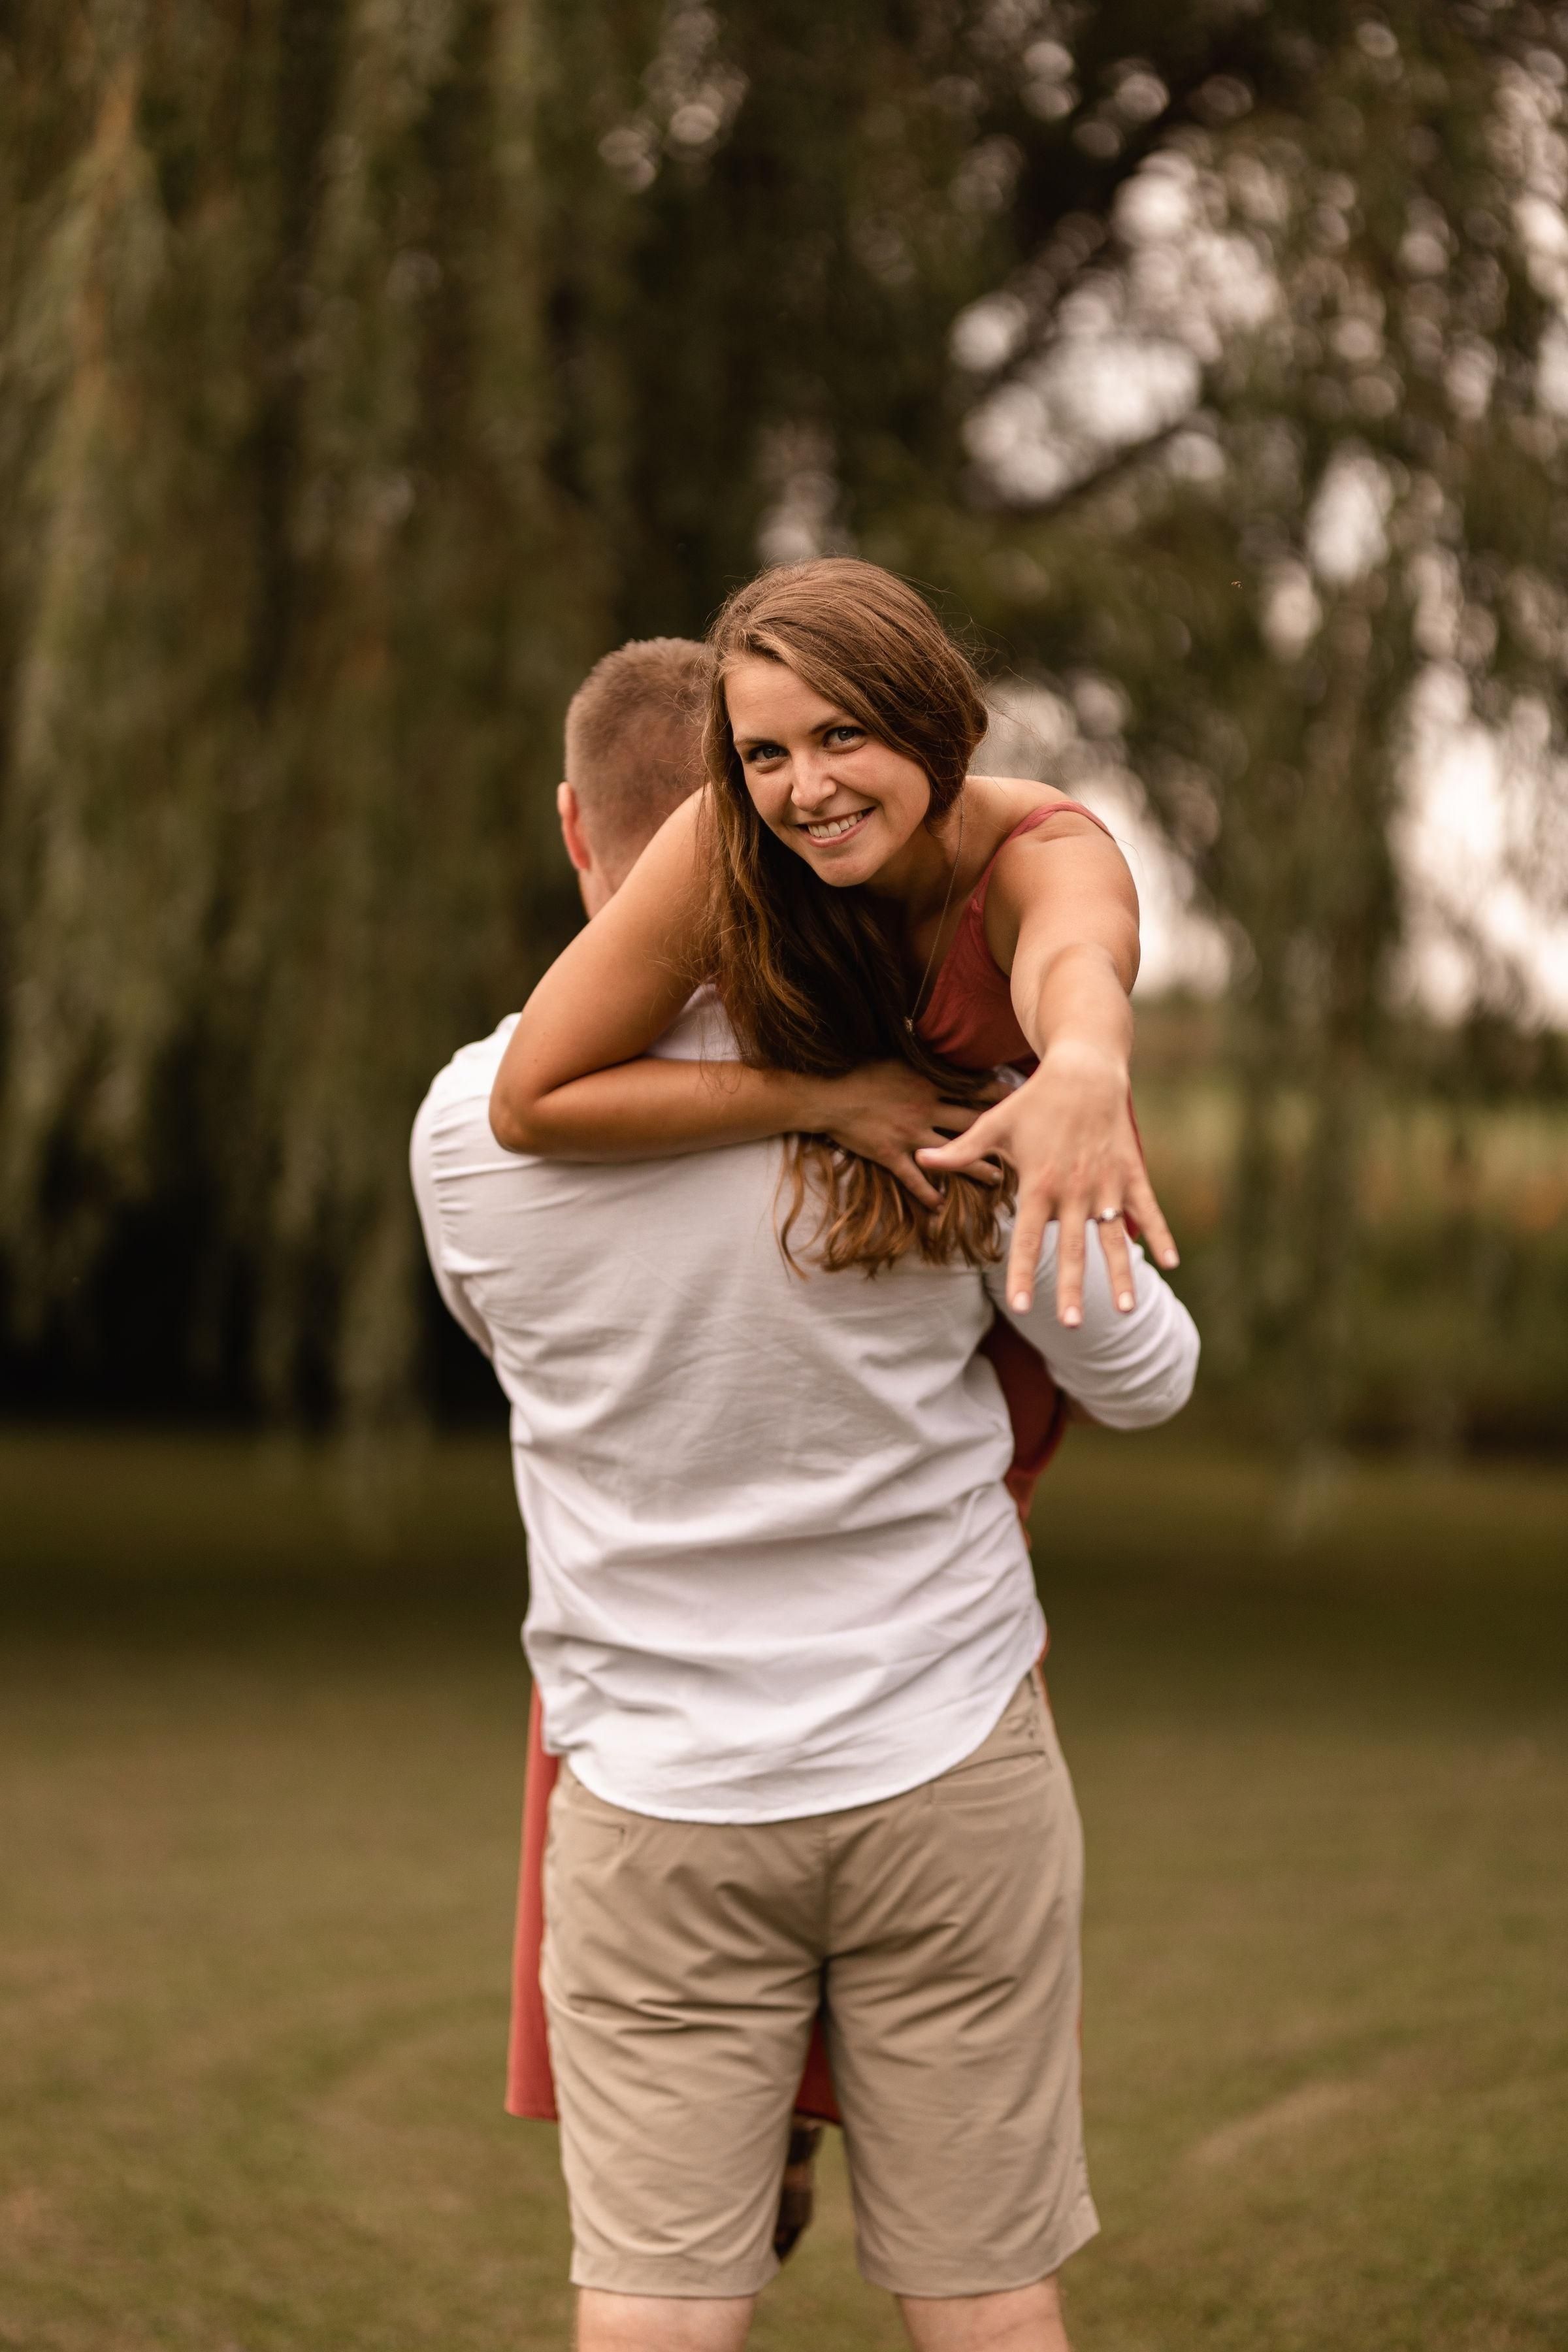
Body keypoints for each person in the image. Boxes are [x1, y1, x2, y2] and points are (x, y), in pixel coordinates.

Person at [412, 635, 1201, 2351]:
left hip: (654, 1780)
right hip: (942, 1759)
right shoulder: (935, 1102)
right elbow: (1151, 1378)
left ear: (577, 834)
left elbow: (524, 1344)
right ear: (751, 818)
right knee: (993, 2303)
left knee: (653, 2312)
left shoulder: (467, 1131)